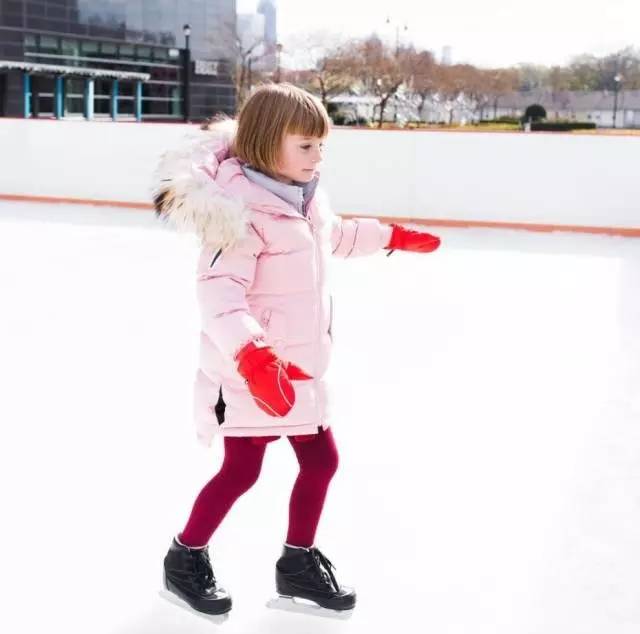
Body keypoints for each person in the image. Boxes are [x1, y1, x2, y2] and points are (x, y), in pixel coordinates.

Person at [151, 83, 441, 619]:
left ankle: (298, 566)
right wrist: (252, 356)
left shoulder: (305, 201)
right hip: (248, 371)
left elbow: (336, 237)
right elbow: (218, 295)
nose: (318, 157)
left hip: (300, 367)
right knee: (241, 471)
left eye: (321, 146)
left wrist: (391, 236)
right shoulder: (236, 213)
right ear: (266, 143)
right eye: (306, 146)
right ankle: (184, 558)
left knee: (321, 460)